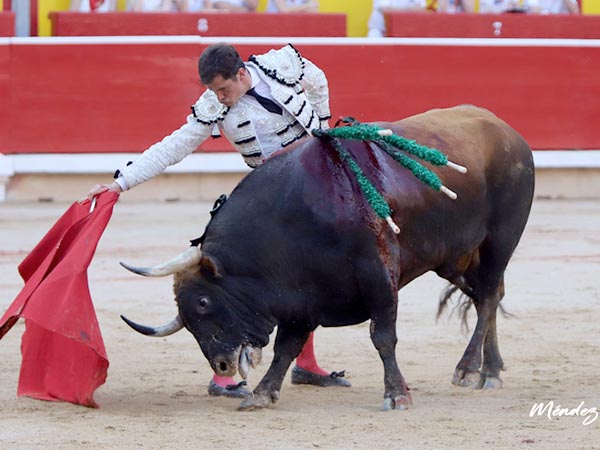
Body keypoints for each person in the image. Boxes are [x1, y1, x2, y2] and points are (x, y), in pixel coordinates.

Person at [87, 43, 350, 397]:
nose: (220, 98)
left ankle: (305, 365)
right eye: (213, 91)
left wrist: (321, 125)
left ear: (242, 74)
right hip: (268, 198)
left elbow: (317, 80)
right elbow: (174, 146)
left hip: (311, 188)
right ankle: (224, 375)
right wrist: (122, 182)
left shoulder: (282, 65)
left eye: (224, 89)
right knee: (238, 282)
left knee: (306, 276)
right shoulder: (213, 106)